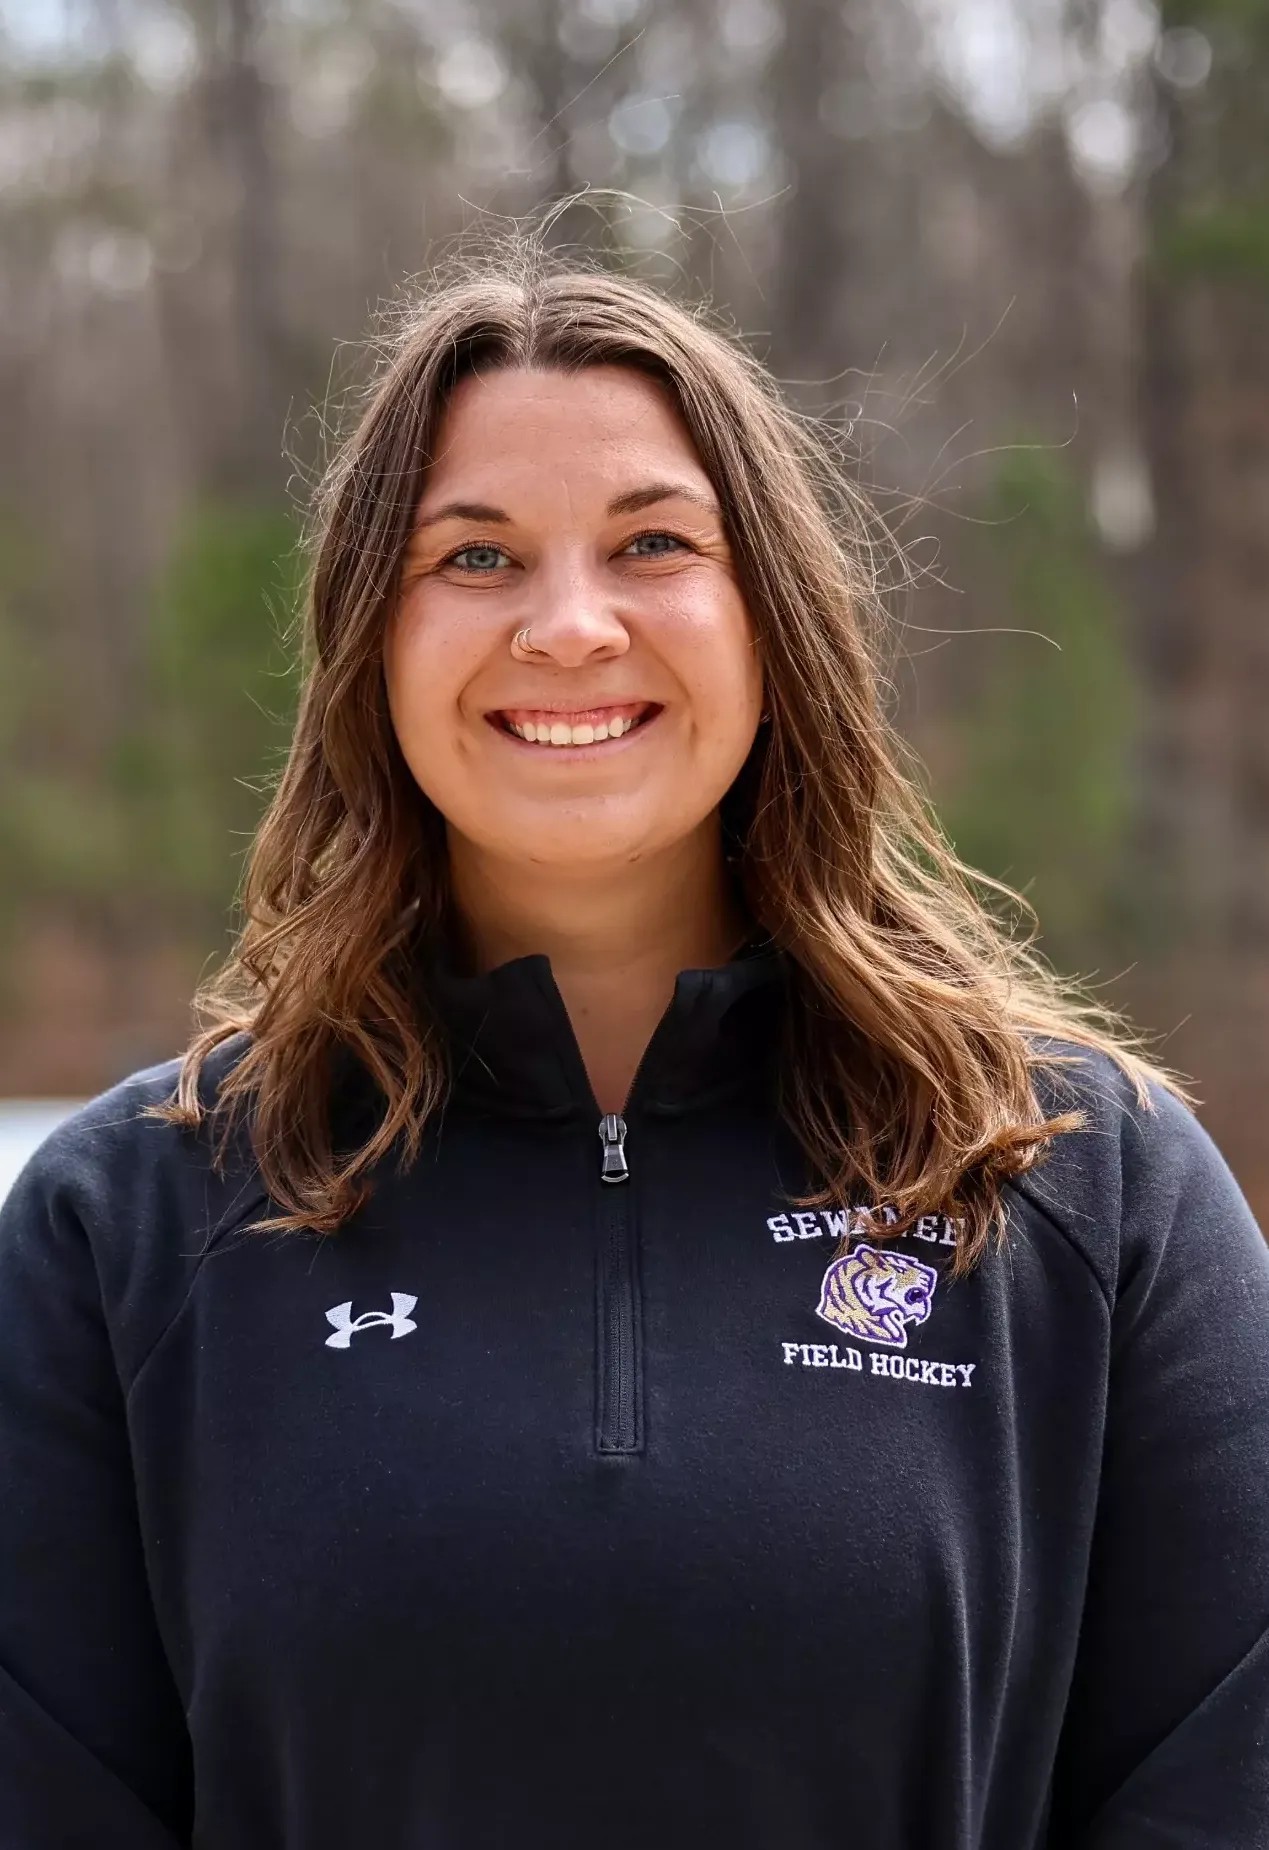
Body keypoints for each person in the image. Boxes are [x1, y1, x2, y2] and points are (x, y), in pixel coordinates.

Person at [2, 246, 1267, 1850]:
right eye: (474, 555)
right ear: (369, 641)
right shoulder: (127, 1223)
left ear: (772, 621)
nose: (569, 625)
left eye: (652, 542)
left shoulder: (1086, 1188)